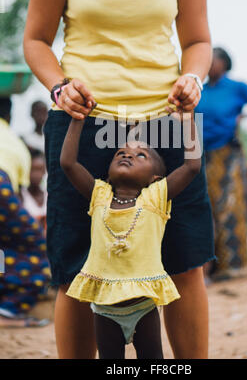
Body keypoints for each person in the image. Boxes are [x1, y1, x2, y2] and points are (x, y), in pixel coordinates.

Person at [24, 0, 215, 359]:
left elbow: (197, 42)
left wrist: (194, 79)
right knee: (75, 269)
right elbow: (36, 40)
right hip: (82, 123)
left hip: (168, 120)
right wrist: (59, 86)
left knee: (184, 261)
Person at [60, 111, 201, 359]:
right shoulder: (100, 194)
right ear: (108, 172)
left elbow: (192, 166)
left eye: (140, 155)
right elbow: (68, 164)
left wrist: (188, 119)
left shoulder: (155, 197)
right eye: (121, 153)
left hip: (142, 305)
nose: (128, 155)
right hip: (104, 308)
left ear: (155, 178)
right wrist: (77, 119)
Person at [196, 47, 247, 281]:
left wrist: (244, 117)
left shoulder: (236, 87)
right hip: (202, 154)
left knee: (229, 205)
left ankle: (232, 265)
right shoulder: (201, 89)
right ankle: (210, 266)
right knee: (206, 207)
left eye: (213, 60)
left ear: (224, 64)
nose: (209, 64)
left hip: (228, 153)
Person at [0, 98, 50, 327]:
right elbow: (16, 199)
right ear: (9, 116)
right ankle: (9, 309)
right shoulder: (15, 143)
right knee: (35, 245)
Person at [21, 149, 47, 233]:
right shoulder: (20, 195)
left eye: (40, 169)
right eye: (33, 170)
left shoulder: (49, 195)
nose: (37, 174)